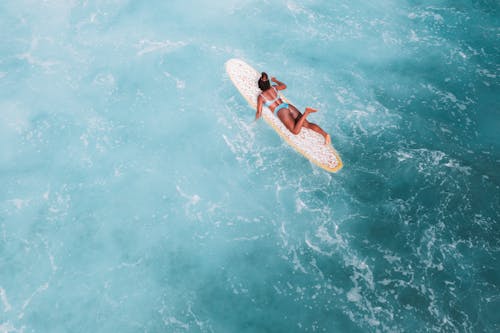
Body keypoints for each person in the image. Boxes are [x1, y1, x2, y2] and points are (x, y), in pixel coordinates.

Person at [256, 72, 330, 145]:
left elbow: (259, 112)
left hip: (281, 111)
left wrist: (256, 121)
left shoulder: (261, 97)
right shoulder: (274, 87)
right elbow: (284, 86)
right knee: (307, 124)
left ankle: (306, 112)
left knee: (295, 131)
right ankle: (325, 134)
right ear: (268, 83)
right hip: (287, 106)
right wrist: (275, 80)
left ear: (260, 86)